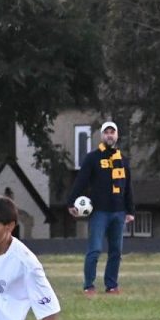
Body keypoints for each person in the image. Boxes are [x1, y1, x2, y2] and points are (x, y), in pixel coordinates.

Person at [67, 120, 135, 294]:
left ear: (117, 135)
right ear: (102, 135)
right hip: (99, 212)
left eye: (113, 132)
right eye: (107, 132)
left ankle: (111, 285)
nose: (109, 135)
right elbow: (80, 181)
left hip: (119, 212)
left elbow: (128, 187)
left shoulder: (123, 160)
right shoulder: (92, 158)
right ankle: (88, 285)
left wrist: (130, 210)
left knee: (116, 252)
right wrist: (71, 202)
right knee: (95, 250)